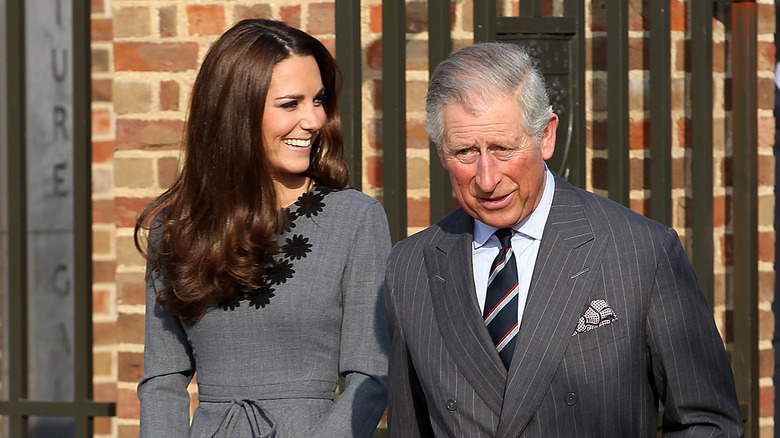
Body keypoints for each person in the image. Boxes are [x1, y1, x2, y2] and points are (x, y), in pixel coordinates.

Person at [383, 42, 743, 437]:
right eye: (465, 152)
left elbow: (708, 422)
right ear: (440, 152)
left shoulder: (640, 251)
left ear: (547, 136)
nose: (486, 178)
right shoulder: (410, 268)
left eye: (503, 149)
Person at [134, 18, 391, 437]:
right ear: (237, 111)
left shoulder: (356, 219)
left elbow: (372, 374)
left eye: (318, 100)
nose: (313, 120)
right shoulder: (177, 227)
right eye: (291, 104)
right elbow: (163, 381)